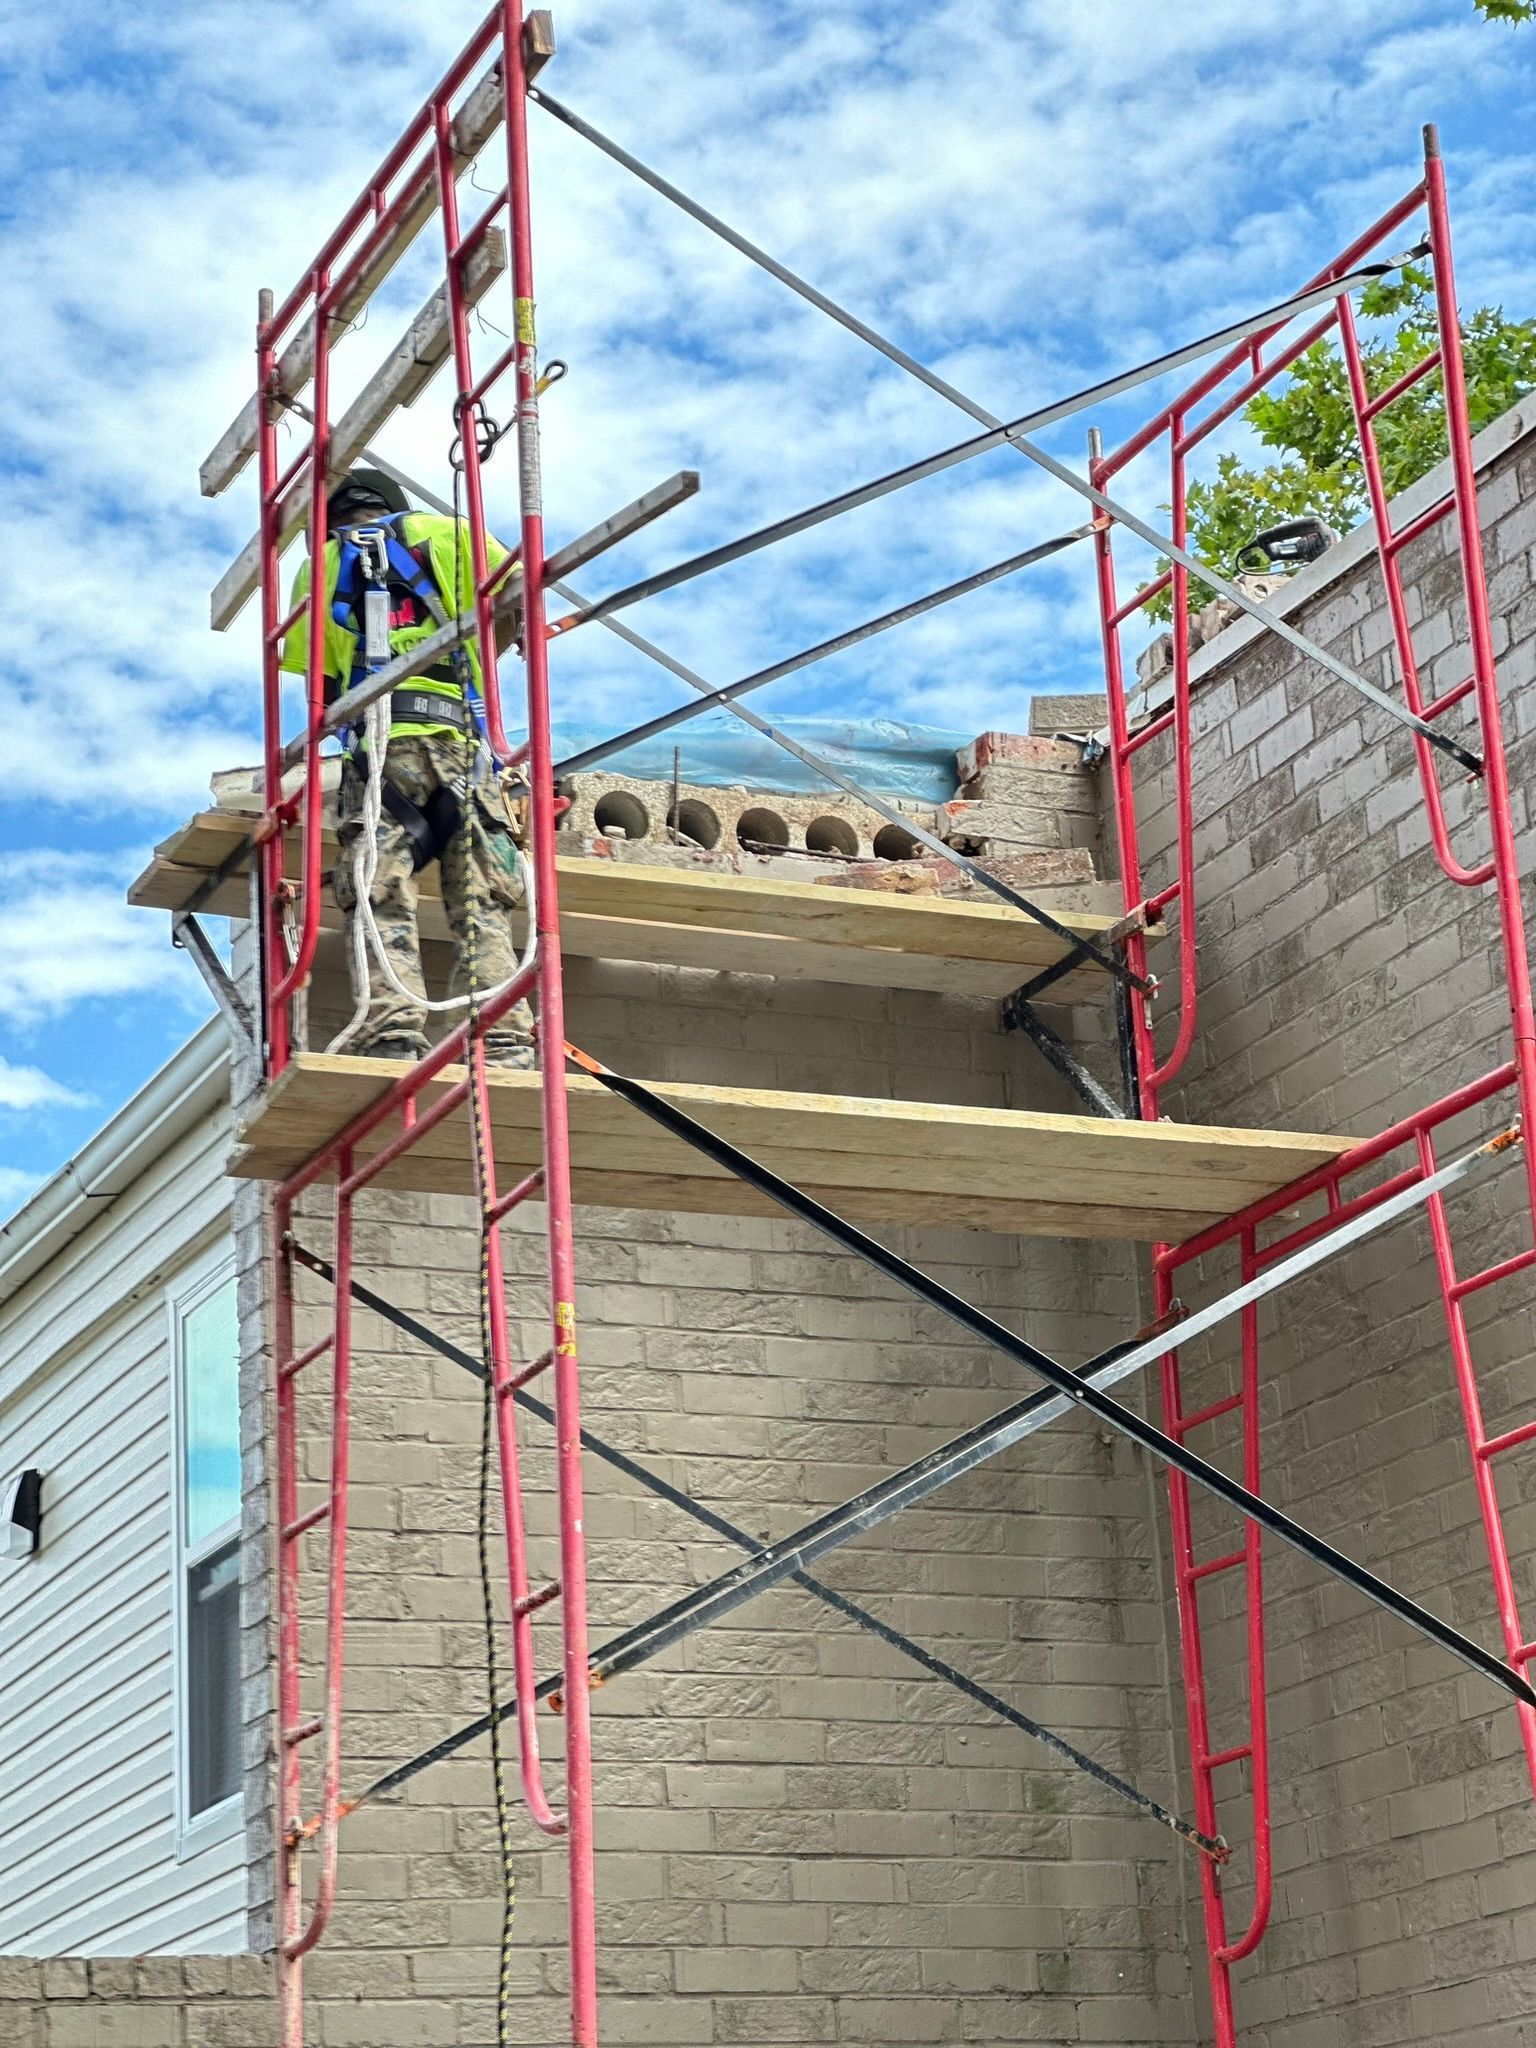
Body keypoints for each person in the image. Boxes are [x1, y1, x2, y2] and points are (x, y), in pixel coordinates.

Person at [280, 468, 536, 1068]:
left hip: (378, 751)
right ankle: (500, 1037)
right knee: (481, 893)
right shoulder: (448, 532)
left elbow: (319, 688)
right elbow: (519, 594)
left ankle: (392, 1030)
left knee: (377, 892)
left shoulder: (316, 566)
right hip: (459, 743)